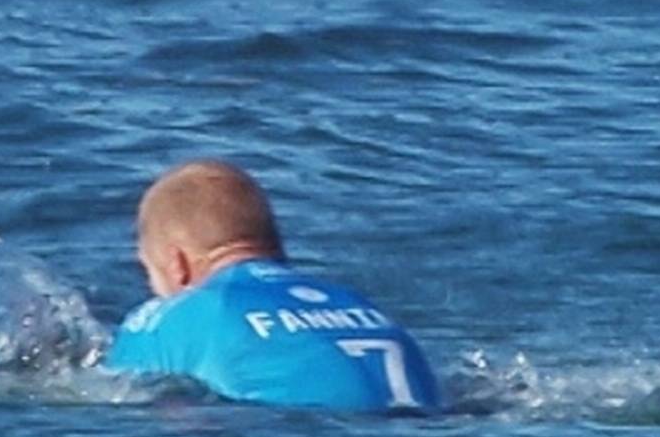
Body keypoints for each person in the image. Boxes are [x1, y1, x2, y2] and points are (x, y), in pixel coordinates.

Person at [103, 158, 444, 412]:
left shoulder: (181, 314)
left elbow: (110, 393)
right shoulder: (356, 304)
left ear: (177, 265)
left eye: (148, 269)